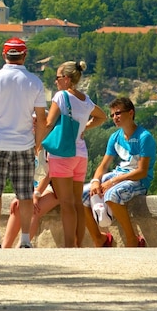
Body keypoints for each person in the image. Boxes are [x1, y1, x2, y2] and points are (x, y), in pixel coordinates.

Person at [0, 37, 47, 249]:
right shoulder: (34, 81)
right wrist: (37, 144)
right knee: (25, 194)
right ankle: (25, 240)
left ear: (3, 54)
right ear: (24, 56)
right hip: (24, 144)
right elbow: (41, 120)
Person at [43, 61, 107, 247]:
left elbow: (48, 124)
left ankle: (69, 246)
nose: (55, 81)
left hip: (62, 153)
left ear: (66, 79)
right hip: (81, 154)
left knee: (66, 204)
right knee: (78, 203)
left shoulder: (61, 97)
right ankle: (78, 244)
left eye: (57, 77)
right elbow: (102, 116)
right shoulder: (85, 100)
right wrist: (85, 127)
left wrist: (36, 141)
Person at [82, 97, 157, 248]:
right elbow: (103, 166)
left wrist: (112, 182)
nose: (115, 118)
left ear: (130, 113)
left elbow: (142, 171)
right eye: (112, 115)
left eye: (118, 113)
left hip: (138, 180)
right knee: (82, 193)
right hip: (119, 175)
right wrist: (96, 181)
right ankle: (99, 239)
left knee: (112, 194)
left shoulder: (144, 137)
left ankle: (132, 239)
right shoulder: (115, 137)